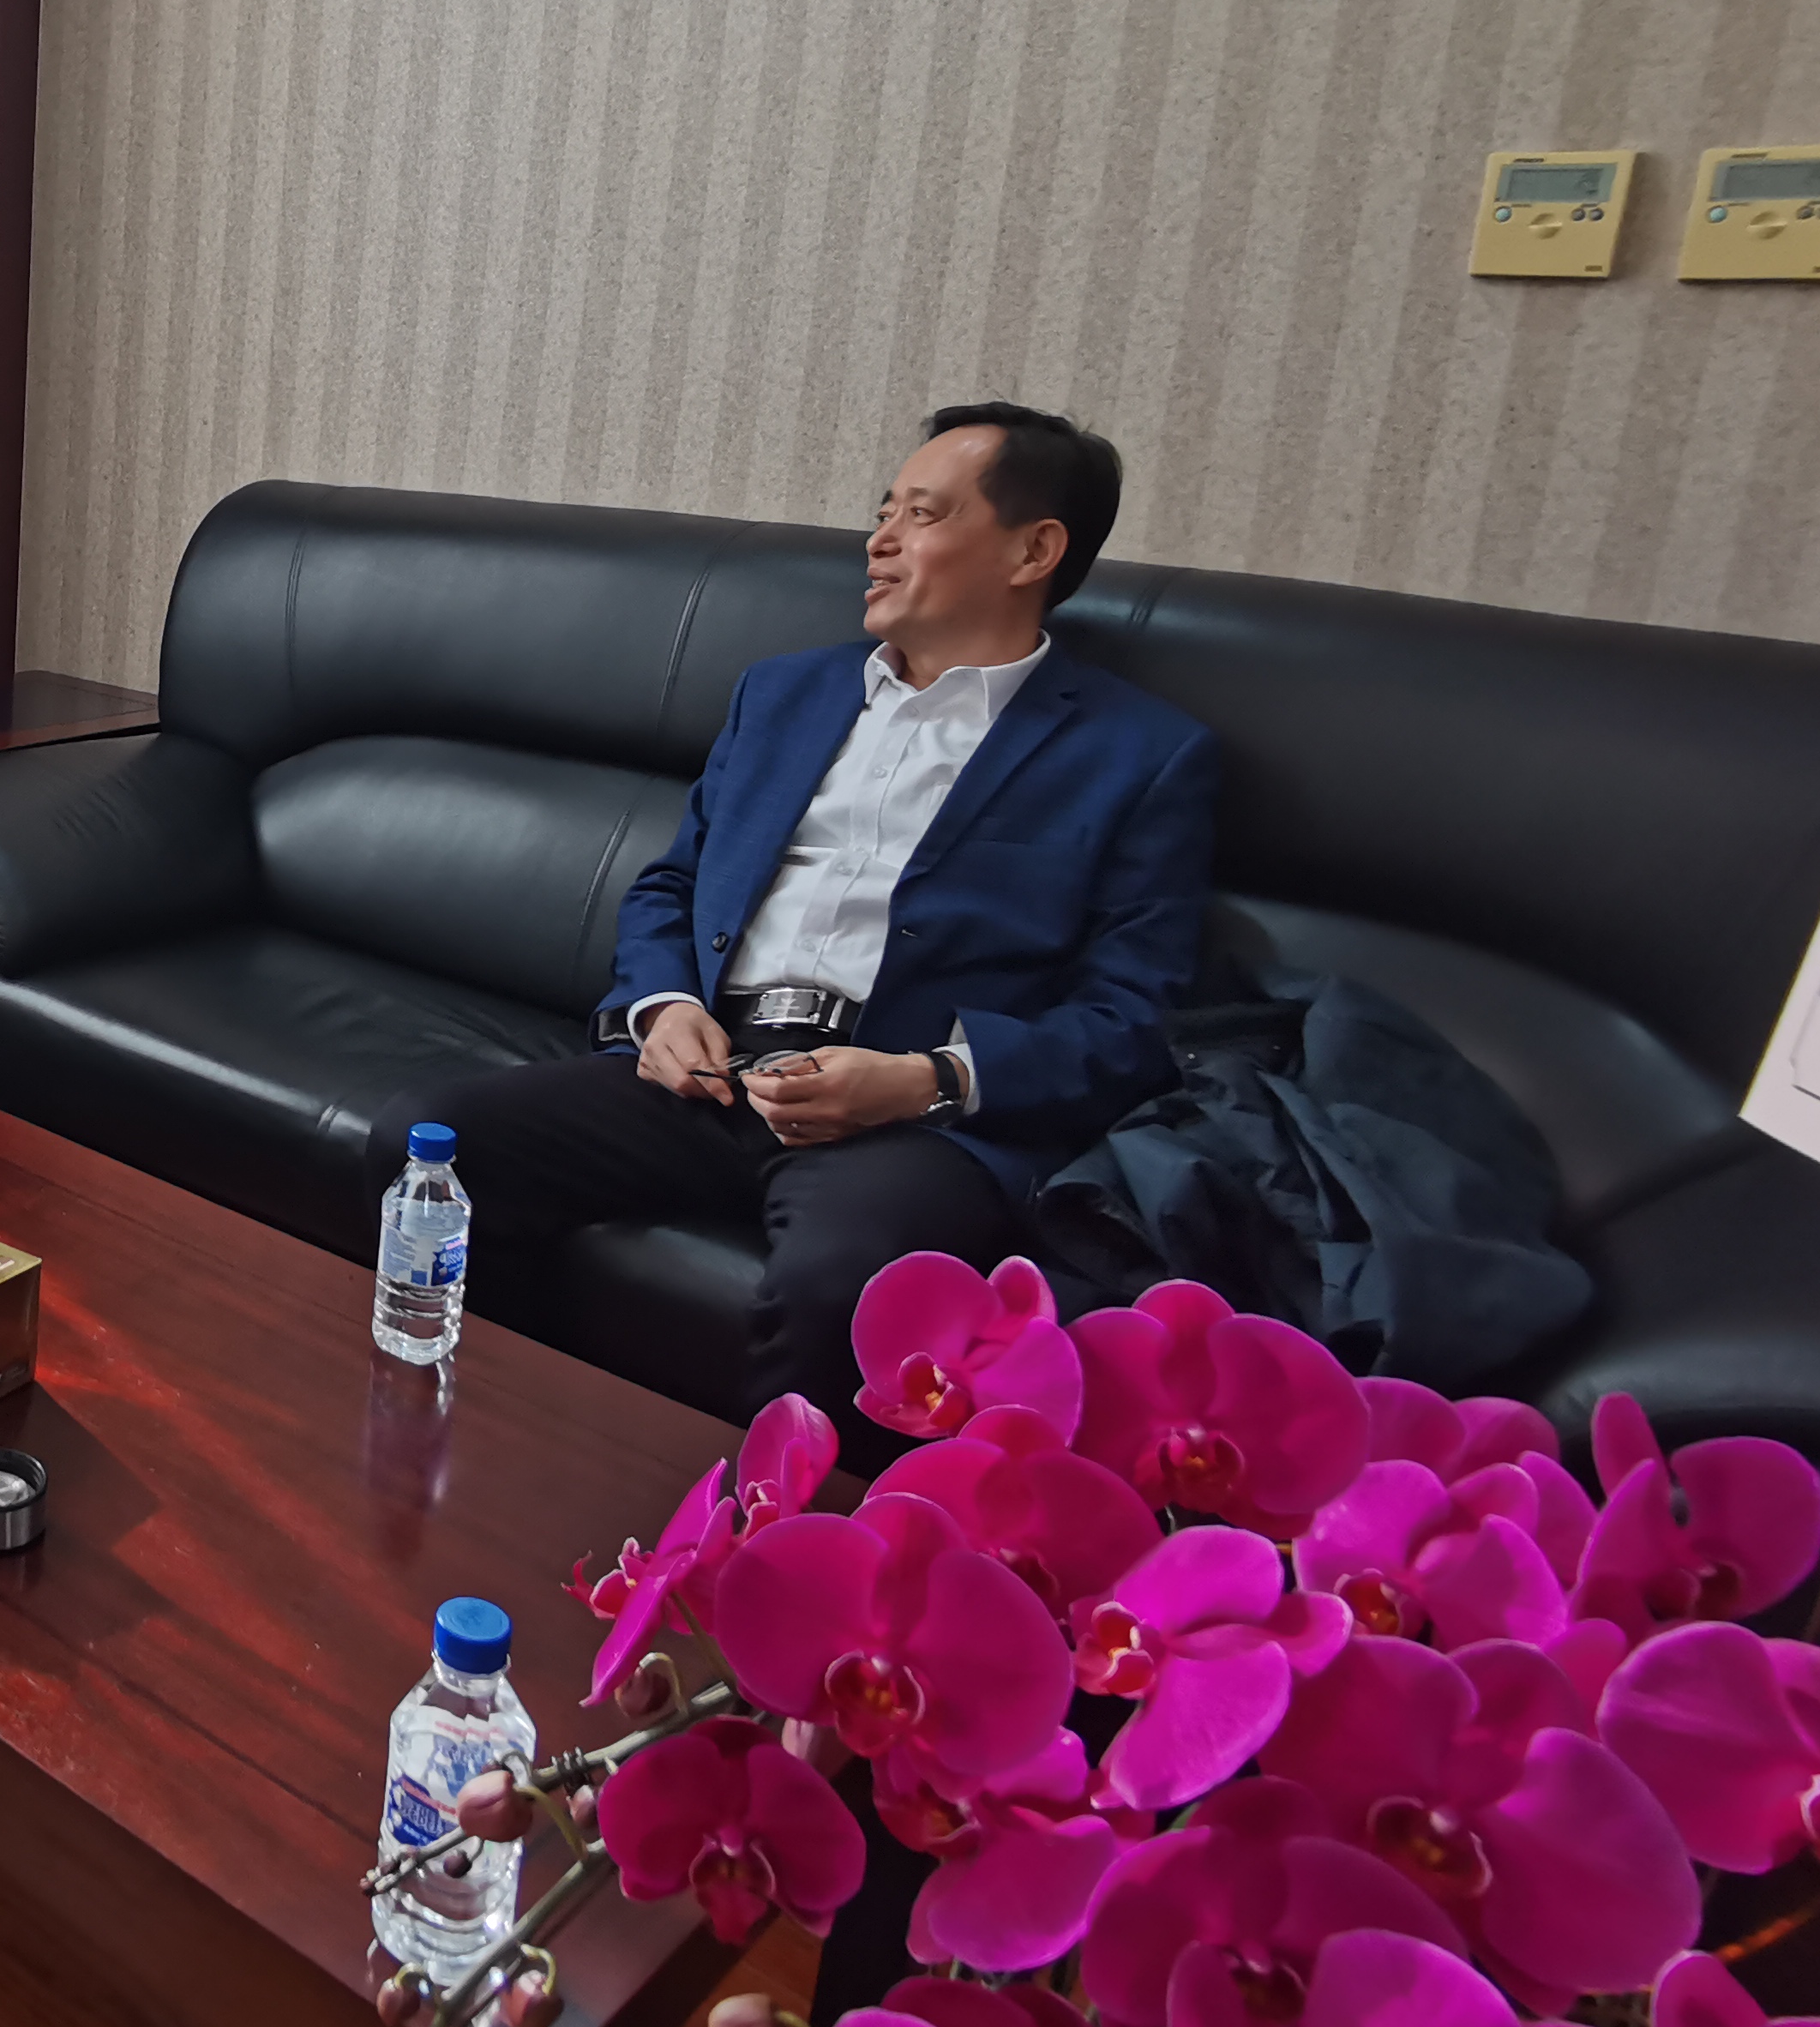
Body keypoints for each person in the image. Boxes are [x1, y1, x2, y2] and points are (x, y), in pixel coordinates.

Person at [370, 404, 1220, 1450]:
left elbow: (1134, 1017)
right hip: (714, 1072)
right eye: (883, 512)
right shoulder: (785, 694)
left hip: (911, 1117)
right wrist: (660, 1007)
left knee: (842, 1292)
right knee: (430, 1144)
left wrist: (925, 1079)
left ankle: (762, 1537)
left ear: (1033, 550)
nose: (880, 540)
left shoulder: (1141, 754)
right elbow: (673, 885)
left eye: (923, 515)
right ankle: (499, 1450)